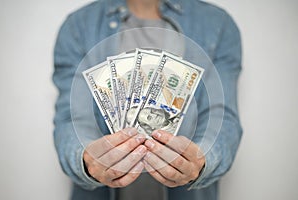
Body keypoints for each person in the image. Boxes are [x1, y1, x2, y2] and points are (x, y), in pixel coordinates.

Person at [53, 0, 242, 199]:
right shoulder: (78, 26)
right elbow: (71, 118)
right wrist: (85, 160)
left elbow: (222, 117)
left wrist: (202, 160)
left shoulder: (218, 24)